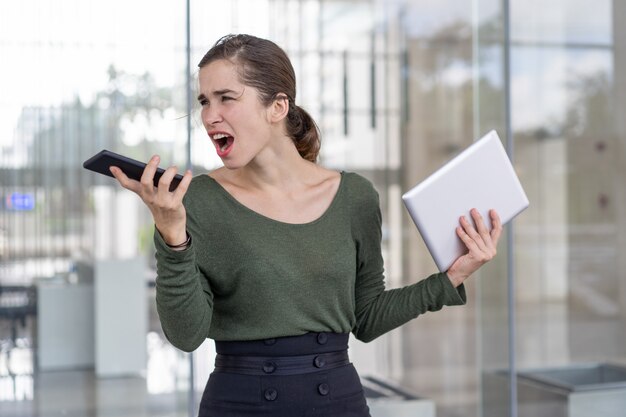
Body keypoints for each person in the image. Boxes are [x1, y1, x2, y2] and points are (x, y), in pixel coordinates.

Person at [110, 33, 502, 417]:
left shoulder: (354, 197)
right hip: (237, 402)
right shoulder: (195, 199)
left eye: (226, 98)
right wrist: (172, 236)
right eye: (204, 101)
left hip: (336, 402)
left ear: (277, 107)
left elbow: (364, 318)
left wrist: (449, 279)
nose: (210, 116)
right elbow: (185, 335)